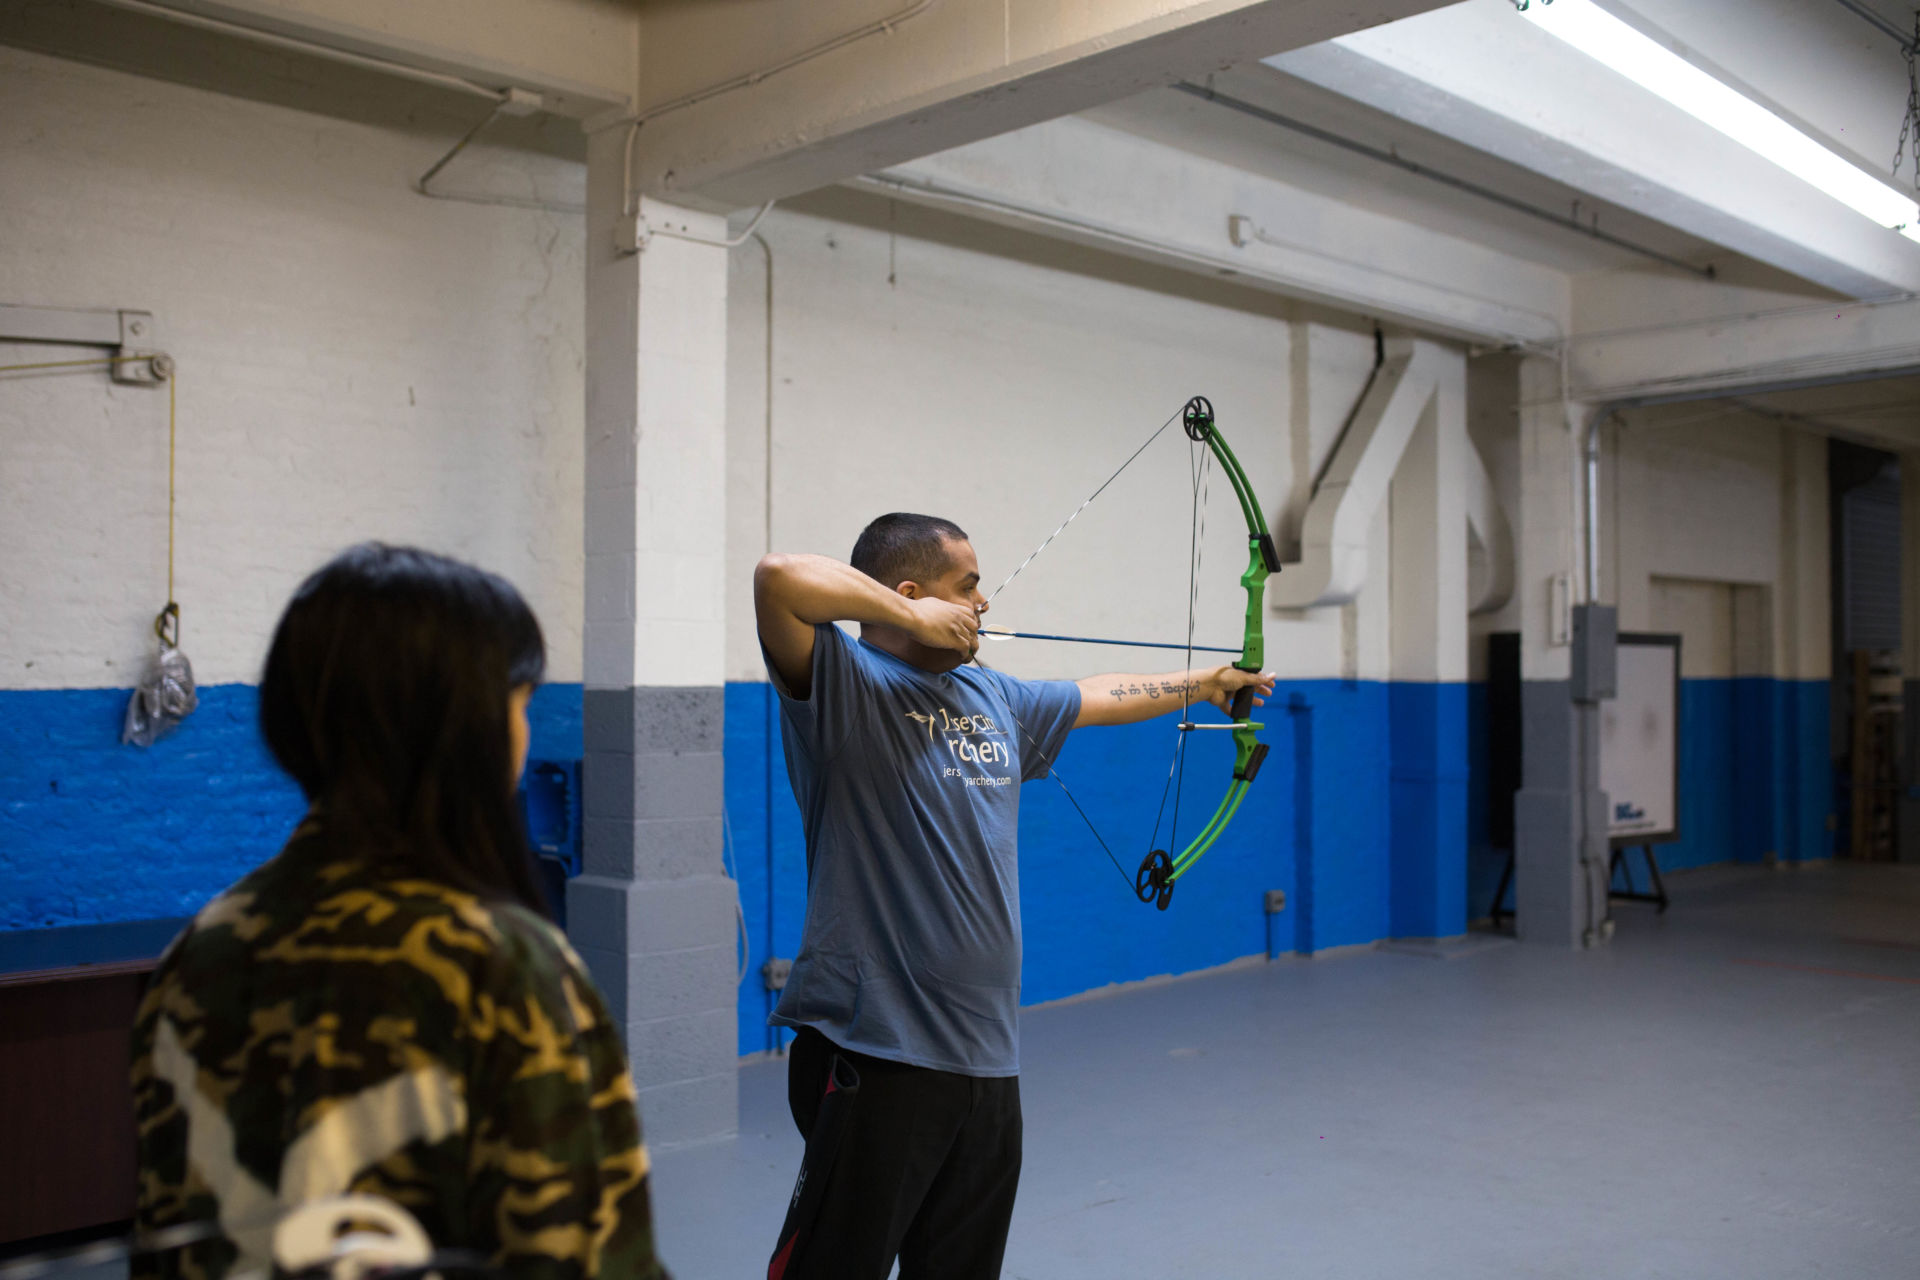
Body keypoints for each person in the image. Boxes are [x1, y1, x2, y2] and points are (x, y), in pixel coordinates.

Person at [129, 543, 670, 1280]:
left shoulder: (201, 953)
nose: (526, 731)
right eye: (521, 704)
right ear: (469, 727)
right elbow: (581, 1257)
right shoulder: (499, 966)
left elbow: (172, 1241)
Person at [755, 512, 1274, 1280]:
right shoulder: (844, 686)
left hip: (987, 1058)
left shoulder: (990, 694)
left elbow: (1098, 694)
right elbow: (778, 578)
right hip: (876, 1049)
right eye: (968, 589)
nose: (982, 605)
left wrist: (1207, 682)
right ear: (908, 594)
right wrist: (908, 616)